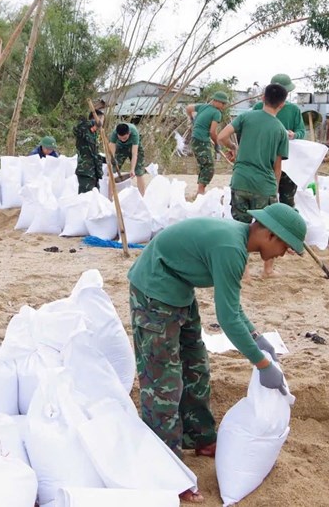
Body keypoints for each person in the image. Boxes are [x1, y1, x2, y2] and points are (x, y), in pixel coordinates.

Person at [128, 203, 305, 504]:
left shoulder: (237, 244)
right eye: (286, 247)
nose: (283, 254)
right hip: (154, 290)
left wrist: (256, 337)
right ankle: (167, 473)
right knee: (163, 385)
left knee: (196, 367)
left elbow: (233, 308)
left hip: (180, 290)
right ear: (270, 235)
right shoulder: (230, 247)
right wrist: (262, 364)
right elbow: (227, 319)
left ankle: (200, 437)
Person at [216, 83, 289, 277]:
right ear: (282, 104)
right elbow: (277, 167)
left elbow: (221, 136)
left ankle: (245, 271)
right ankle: (268, 270)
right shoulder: (281, 130)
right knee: (269, 228)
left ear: (263, 97)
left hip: (240, 181)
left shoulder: (246, 117)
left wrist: (234, 148)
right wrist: (274, 189)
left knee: (241, 228)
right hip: (264, 185)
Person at [252, 74, 305, 207]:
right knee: (264, 198)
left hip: (288, 162)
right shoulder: (258, 107)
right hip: (264, 160)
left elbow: (301, 131)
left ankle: (286, 224)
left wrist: (294, 135)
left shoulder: (293, 110)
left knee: (287, 198)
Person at [186, 92, 228, 196]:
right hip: (202, 141)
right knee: (209, 167)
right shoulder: (216, 113)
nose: (224, 106)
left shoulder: (203, 107)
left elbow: (188, 108)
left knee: (203, 165)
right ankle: (200, 192)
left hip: (195, 139)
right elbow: (212, 132)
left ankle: (200, 191)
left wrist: (192, 119)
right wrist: (217, 144)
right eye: (223, 103)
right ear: (216, 101)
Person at [109, 122, 147, 195]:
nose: (123, 140)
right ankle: (110, 198)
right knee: (111, 172)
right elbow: (112, 147)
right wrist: (112, 159)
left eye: (125, 138)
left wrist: (132, 169)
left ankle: (142, 197)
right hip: (121, 148)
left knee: (139, 173)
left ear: (129, 133)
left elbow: (134, 154)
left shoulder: (134, 132)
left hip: (134, 147)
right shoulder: (114, 133)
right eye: (120, 138)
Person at [74, 110, 104, 194]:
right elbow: (77, 129)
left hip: (94, 173)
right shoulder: (84, 130)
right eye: (101, 120)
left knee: (95, 200)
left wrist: (106, 160)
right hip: (85, 172)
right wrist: (91, 122)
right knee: (85, 200)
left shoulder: (94, 134)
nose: (102, 123)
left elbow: (94, 155)